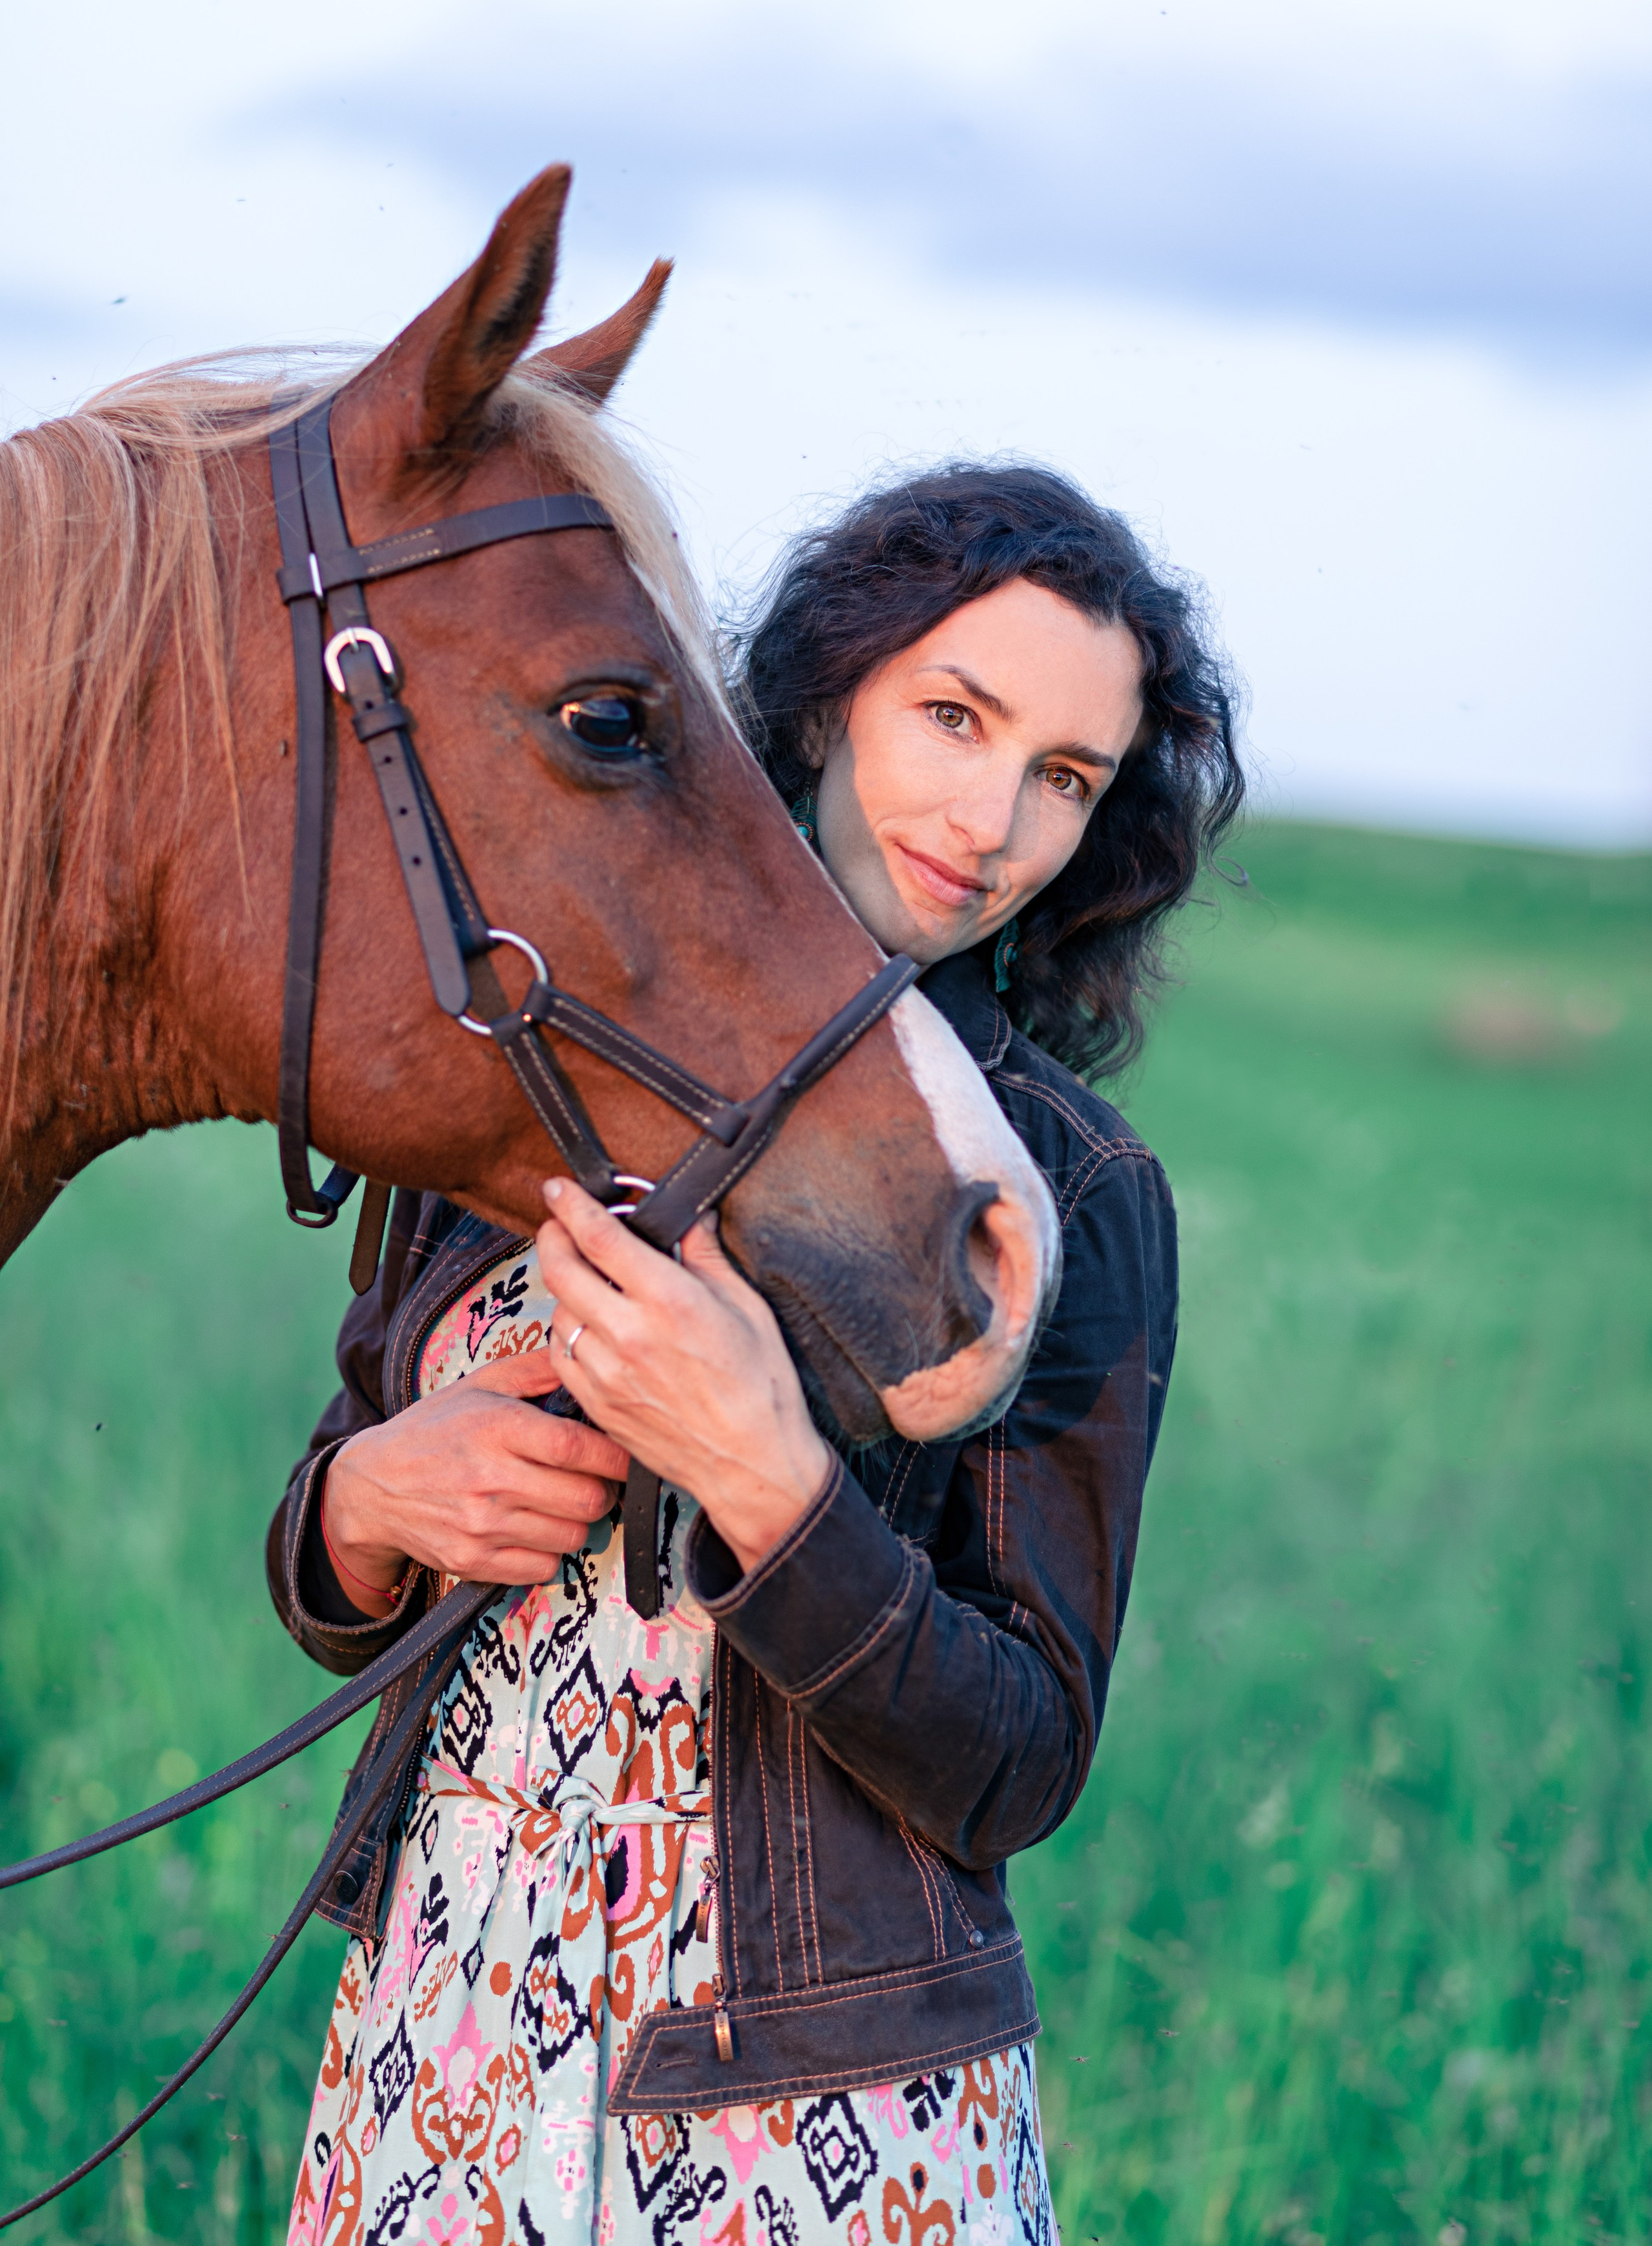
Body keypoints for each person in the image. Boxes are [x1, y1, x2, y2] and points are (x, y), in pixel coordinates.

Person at [270, 461, 1243, 2246]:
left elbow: (1019, 1760)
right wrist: (370, 1499)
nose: (993, 815)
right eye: (952, 717)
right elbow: (333, 1537)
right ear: (816, 700)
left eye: (1065, 778)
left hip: (812, 2101)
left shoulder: (1059, 1196)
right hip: (444, 2036)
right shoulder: (526, 1055)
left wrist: (771, 1482)